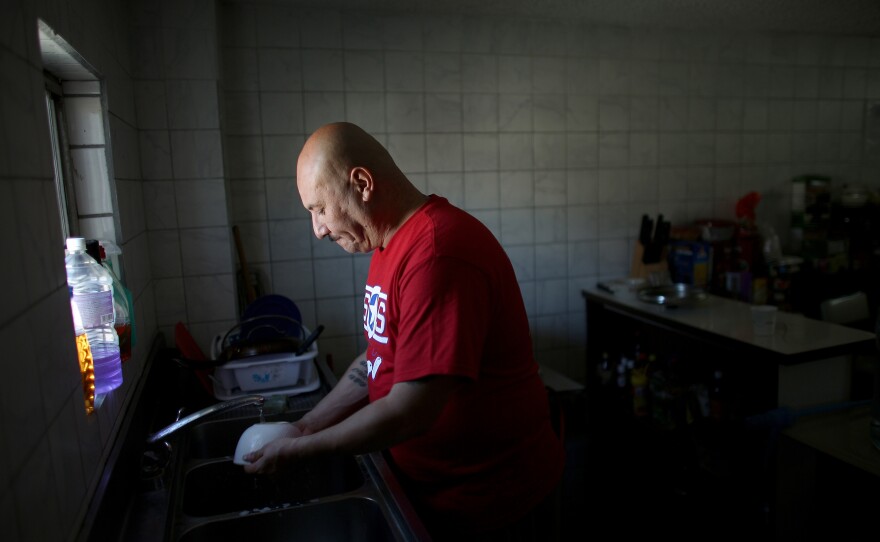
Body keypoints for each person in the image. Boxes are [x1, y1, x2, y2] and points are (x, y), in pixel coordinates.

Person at [243, 122, 566, 539]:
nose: (318, 229)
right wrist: (307, 425)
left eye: (319, 209)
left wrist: (302, 449)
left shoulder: (437, 252)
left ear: (361, 183)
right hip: (437, 493)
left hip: (492, 504)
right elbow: (380, 357)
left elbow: (413, 409)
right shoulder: (389, 244)